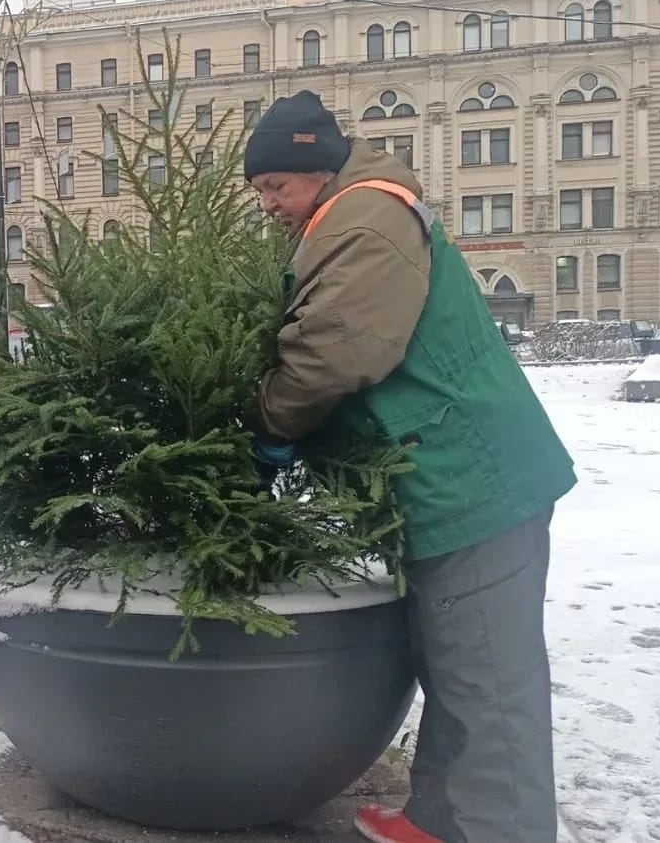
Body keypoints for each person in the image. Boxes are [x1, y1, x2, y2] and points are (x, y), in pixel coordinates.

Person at [242, 90, 578, 843]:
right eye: (260, 190)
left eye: (275, 186)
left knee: (488, 674)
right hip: (441, 472)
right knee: (456, 660)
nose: (269, 205)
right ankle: (444, 818)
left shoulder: (363, 221)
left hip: (471, 474)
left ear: (316, 168)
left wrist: (269, 426)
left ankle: (498, 832)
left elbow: (336, 349)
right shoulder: (350, 213)